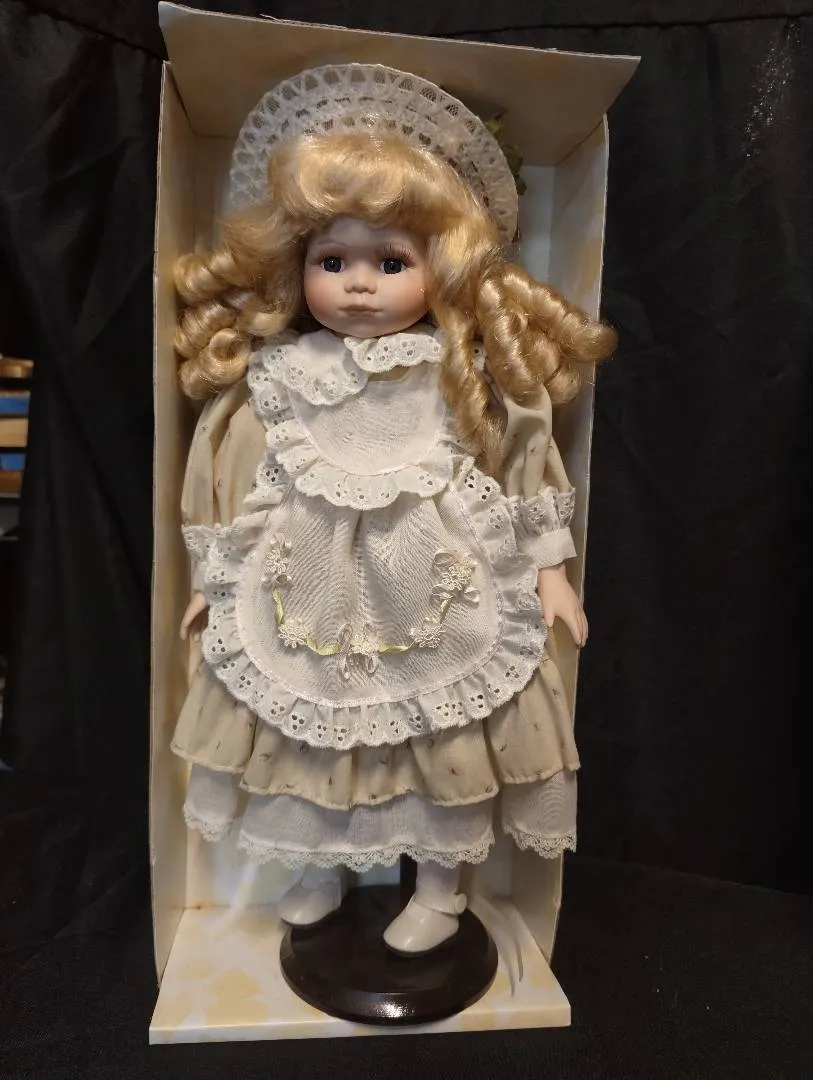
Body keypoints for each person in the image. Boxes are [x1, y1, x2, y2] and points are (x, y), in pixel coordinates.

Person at [171, 64, 616, 955]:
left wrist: (549, 570)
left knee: (440, 731)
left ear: (439, 268)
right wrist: (212, 579)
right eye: (332, 261)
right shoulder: (279, 376)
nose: (358, 285)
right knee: (306, 725)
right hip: (310, 588)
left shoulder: (460, 374)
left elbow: (520, 464)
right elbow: (237, 476)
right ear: (295, 266)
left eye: (390, 262)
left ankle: (442, 885)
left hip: (434, 585)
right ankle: (318, 864)